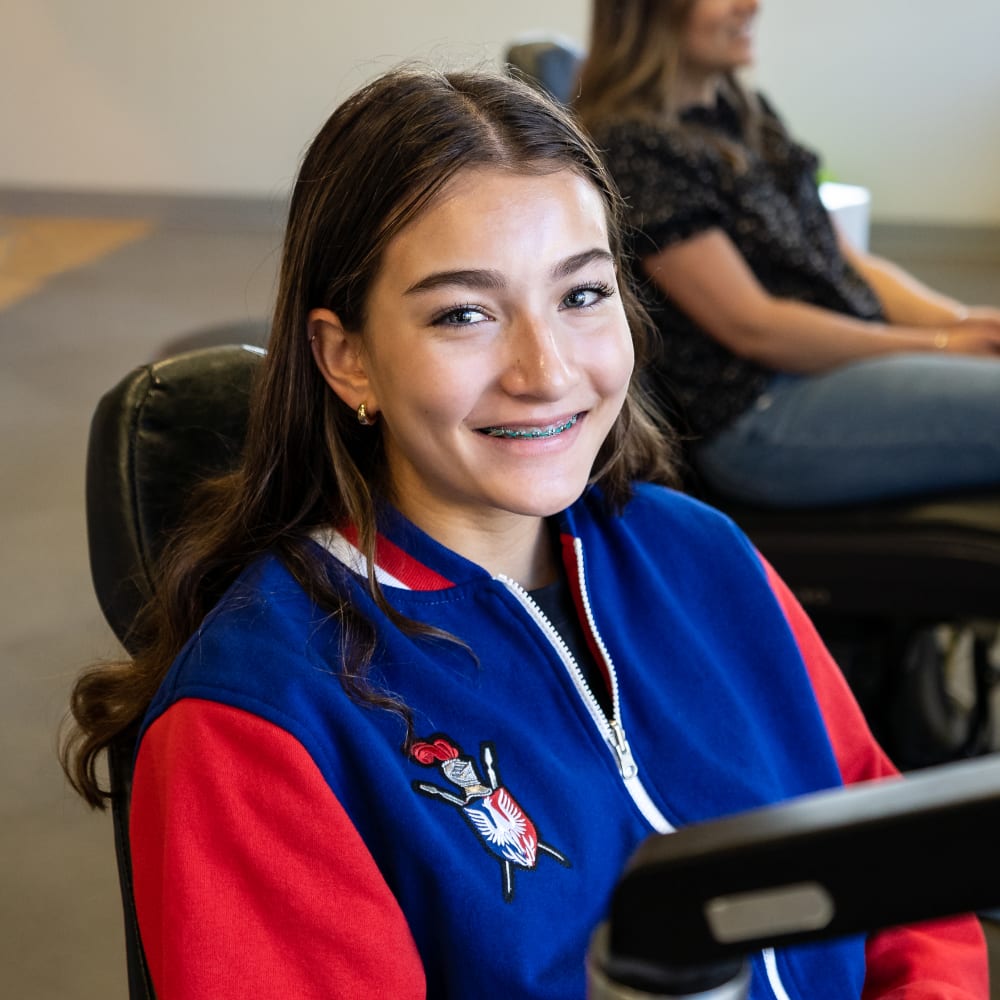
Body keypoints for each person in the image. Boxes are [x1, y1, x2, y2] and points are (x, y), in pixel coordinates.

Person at [61, 68, 987, 999]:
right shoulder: (259, 720)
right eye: (464, 314)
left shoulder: (699, 554)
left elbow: (900, 886)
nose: (544, 372)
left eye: (581, 295)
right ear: (347, 361)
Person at [576, 0, 1000, 508]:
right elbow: (755, 326)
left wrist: (961, 322)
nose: (751, 5)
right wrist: (940, 345)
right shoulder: (633, 147)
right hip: (763, 416)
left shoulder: (744, 115)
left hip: (830, 369)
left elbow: (847, 260)